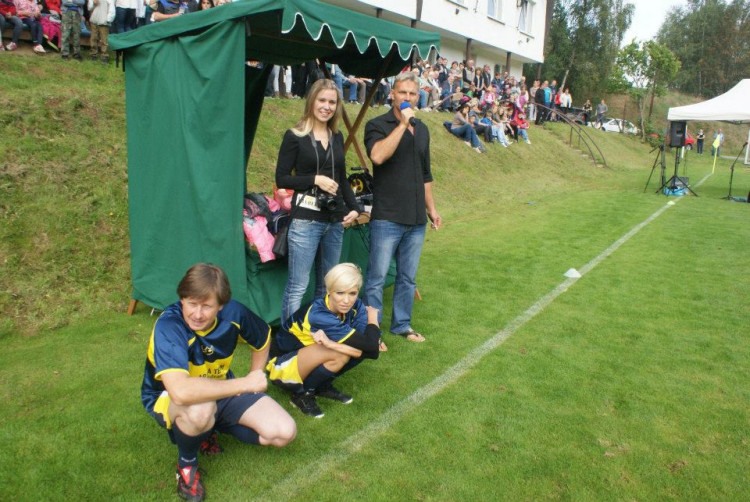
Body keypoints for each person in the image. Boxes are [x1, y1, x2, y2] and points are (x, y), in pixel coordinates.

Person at [141, 263, 296, 502]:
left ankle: (208, 429)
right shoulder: (169, 326)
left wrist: (256, 373)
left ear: (221, 305)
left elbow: (263, 338)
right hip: (169, 399)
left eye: (207, 306)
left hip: (221, 390)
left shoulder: (234, 313)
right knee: (200, 409)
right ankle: (187, 466)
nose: (197, 313)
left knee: (283, 433)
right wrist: (246, 384)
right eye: (191, 303)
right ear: (182, 299)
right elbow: (181, 392)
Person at [364, 71, 442, 348]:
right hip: (387, 216)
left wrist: (431, 209)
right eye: (402, 93)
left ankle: (401, 325)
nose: (407, 97)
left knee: (407, 278)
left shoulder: (422, 129)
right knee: (376, 278)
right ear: (393, 94)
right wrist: (402, 125)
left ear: (418, 95)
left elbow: (426, 173)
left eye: (412, 93)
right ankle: (372, 332)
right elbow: (377, 156)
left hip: (416, 218)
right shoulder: (377, 125)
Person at [275, 78, 361, 323]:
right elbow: (281, 179)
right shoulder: (294, 136)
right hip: (305, 221)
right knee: (298, 286)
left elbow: (342, 178)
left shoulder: (337, 135)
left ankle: (319, 332)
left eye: (332, 102)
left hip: (333, 221)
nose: (327, 106)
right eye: (322, 100)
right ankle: (288, 340)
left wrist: (354, 207)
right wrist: (315, 179)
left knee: (328, 286)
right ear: (312, 101)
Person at [267, 263, 381, 418]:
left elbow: (371, 350)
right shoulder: (319, 314)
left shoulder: (357, 305)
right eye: (340, 293)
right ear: (329, 291)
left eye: (352, 293)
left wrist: (330, 343)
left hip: (306, 357)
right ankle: (302, 394)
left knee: (349, 349)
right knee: (341, 353)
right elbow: (371, 346)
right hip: (280, 365)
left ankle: (320, 386)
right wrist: (373, 317)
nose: (346, 300)